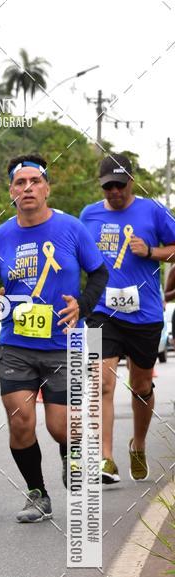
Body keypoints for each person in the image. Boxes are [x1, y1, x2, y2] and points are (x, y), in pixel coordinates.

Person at [0, 154, 108, 522]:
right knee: (20, 422)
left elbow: (98, 274)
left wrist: (82, 305)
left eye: (35, 181)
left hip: (64, 345)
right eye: (20, 183)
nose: (28, 188)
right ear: (11, 192)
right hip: (16, 344)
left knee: (60, 425)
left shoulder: (71, 229)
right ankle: (37, 493)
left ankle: (70, 455)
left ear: (47, 188)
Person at [81, 154, 175, 482]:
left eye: (120, 185)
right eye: (108, 187)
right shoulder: (88, 215)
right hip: (103, 311)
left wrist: (151, 252)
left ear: (131, 182)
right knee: (102, 382)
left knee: (141, 386)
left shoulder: (153, 211)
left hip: (145, 314)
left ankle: (138, 443)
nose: (115, 192)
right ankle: (105, 458)